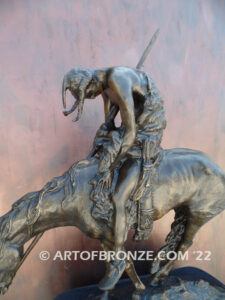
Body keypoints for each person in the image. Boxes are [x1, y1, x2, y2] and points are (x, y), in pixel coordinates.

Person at [62, 66, 166, 289]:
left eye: (88, 95)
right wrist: (103, 137)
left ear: (90, 84)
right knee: (107, 154)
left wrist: (111, 168)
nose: (91, 97)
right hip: (133, 125)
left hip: (146, 129)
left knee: (118, 196)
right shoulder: (104, 86)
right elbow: (110, 124)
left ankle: (118, 258)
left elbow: (129, 134)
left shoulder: (117, 79)